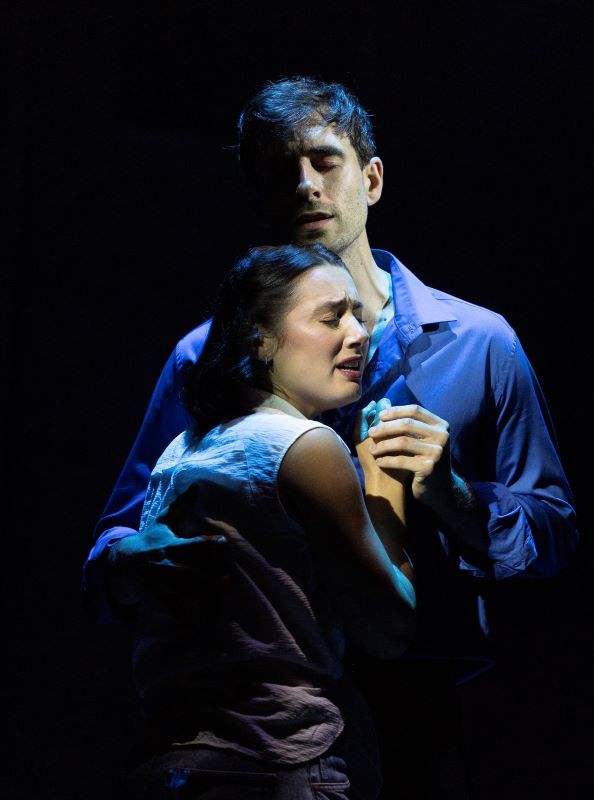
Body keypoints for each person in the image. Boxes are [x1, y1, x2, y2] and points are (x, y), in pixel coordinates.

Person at [84, 77, 578, 798]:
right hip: (253, 710)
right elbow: (121, 532)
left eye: (324, 161)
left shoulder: (479, 342)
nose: (305, 185)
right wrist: (131, 558)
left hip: (415, 698)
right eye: (279, 168)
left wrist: (456, 497)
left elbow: (555, 532)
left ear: (370, 178)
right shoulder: (205, 355)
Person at [110, 243, 415, 800]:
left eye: (358, 315)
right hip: (277, 762)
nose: (359, 333)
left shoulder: (184, 448)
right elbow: (387, 628)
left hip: (170, 758)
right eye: (331, 317)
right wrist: (383, 483)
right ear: (259, 339)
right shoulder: (306, 446)